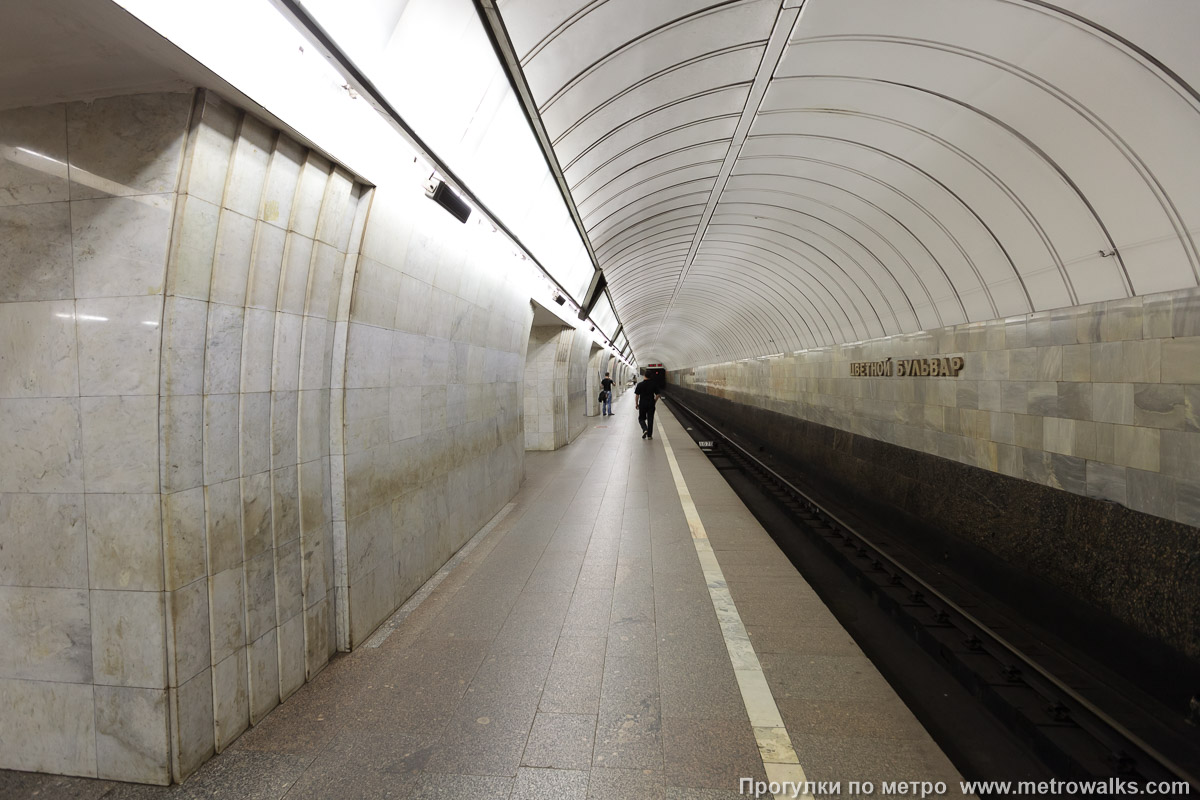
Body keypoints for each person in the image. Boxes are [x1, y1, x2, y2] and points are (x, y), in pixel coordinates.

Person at [634, 373, 659, 439]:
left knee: (641, 418)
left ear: (644, 376)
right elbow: (658, 395)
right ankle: (649, 436)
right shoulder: (654, 384)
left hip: (642, 404)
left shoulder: (640, 384)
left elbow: (637, 395)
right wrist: (654, 401)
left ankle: (645, 429)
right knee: (650, 419)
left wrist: (636, 404)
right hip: (651, 403)